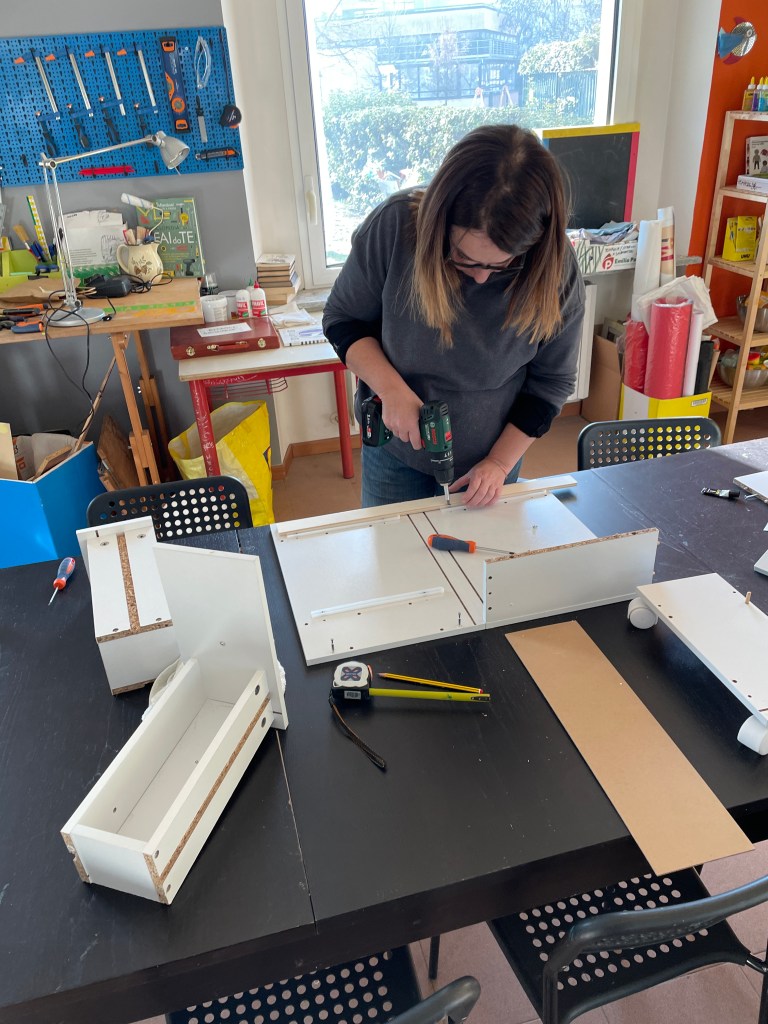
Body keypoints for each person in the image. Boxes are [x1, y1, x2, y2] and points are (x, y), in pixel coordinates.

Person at [322, 124, 586, 509]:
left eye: (501, 265)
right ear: (437, 222)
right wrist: (391, 390)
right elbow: (343, 321)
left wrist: (499, 463)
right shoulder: (394, 226)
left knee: (480, 548)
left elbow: (551, 384)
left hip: (491, 458)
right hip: (395, 451)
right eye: (463, 257)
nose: (479, 278)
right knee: (394, 546)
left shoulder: (555, 269)